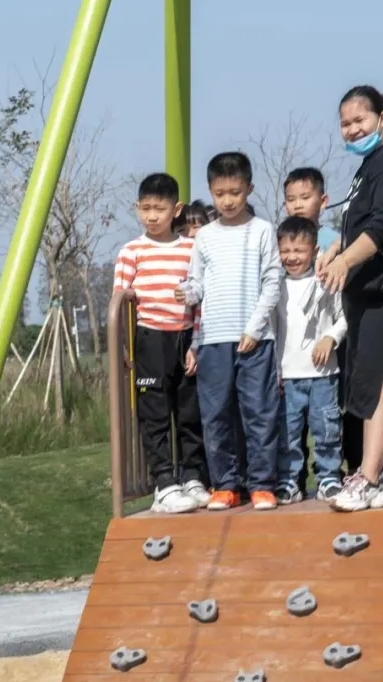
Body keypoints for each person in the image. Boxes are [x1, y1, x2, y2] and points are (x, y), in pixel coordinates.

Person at [318, 86, 383, 511]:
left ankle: (369, 476)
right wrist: (337, 250)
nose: (353, 129)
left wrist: (347, 261)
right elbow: (363, 224)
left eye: (360, 120)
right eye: (346, 124)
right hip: (369, 293)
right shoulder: (370, 165)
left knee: (379, 379)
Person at [176, 151, 283, 510]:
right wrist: (186, 292)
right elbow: (197, 285)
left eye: (235, 192)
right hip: (212, 340)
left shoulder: (263, 230)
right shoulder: (204, 236)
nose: (227, 200)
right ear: (210, 190)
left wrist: (255, 327)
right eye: (220, 193)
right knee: (216, 414)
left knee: (259, 412)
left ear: (249, 189)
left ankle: (262, 484)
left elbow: (272, 282)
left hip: (255, 339)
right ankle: (225, 484)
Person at [113, 173, 207, 513]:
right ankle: (164, 484)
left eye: (160, 208)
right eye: (145, 208)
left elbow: (200, 298)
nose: (152, 216)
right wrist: (126, 347)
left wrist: (196, 342)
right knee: (154, 413)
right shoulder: (131, 252)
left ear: (176, 209)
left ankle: (193, 476)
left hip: (184, 338)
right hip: (149, 338)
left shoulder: (191, 248)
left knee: (189, 411)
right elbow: (120, 301)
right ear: (137, 208)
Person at [283, 165, 363, 479]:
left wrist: (337, 249)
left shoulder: (335, 240)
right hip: (291, 353)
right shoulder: (283, 243)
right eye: (291, 198)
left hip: (333, 339)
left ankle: (340, 469)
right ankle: (292, 477)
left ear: (323, 199)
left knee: (333, 412)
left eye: (306, 196)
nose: (298, 204)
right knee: (291, 418)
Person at [274, 216, 347, 503]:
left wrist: (330, 338)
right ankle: (290, 480)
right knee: (288, 433)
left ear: (315, 250)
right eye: (286, 251)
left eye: (299, 251)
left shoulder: (325, 282)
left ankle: (329, 477)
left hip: (323, 375)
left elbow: (343, 319)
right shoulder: (276, 287)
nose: (292, 258)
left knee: (326, 429)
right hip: (288, 375)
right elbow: (275, 332)